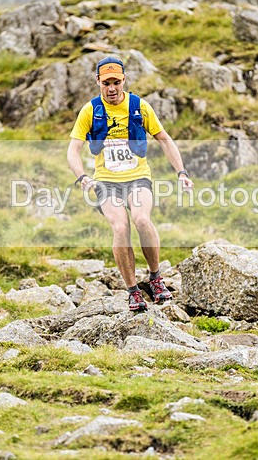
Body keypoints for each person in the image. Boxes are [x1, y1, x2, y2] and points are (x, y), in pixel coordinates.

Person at [67, 57, 194, 312]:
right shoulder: (90, 111)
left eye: (116, 82)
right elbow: (73, 149)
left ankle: (155, 278)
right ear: (98, 82)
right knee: (120, 226)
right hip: (106, 182)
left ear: (124, 80)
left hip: (138, 178)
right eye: (106, 83)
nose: (111, 88)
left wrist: (181, 171)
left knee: (141, 220)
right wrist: (82, 176)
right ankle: (133, 291)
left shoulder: (139, 106)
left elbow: (164, 139)